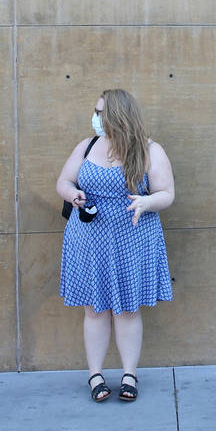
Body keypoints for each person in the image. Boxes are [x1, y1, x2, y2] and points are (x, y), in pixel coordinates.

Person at [56, 89, 174, 403]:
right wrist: (72, 194)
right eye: (95, 111)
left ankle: (128, 374)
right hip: (89, 238)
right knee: (94, 310)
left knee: (127, 311)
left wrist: (146, 201)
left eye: (100, 113)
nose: (95, 118)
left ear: (117, 117)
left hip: (132, 239)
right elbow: (63, 182)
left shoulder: (149, 150)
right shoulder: (87, 146)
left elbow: (167, 193)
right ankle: (95, 375)